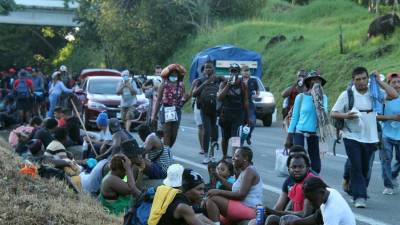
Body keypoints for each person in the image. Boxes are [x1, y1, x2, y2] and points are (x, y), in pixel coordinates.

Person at [331, 66, 398, 208]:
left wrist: (379, 81)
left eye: (364, 78)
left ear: (368, 79)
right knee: (356, 165)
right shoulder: (347, 94)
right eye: (358, 79)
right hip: (351, 135)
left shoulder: (375, 93)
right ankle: (360, 197)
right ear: (353, 80)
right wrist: (346, 115)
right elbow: (333, 113)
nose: (361, 82)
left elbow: (394, 95)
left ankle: (349, 183)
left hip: (370, 137)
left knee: (365, 168)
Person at [248, 146, 317, 225]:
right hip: (295, 218)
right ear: (288, 170)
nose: (297, 170)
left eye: (300, 167)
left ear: (307, 168)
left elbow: (305, 214)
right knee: (255, 222)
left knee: (275, 219)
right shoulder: (294, 183)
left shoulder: (311, 183)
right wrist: (267, 212)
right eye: (294, 167)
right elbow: (285, 208)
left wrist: (274, 212)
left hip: (309, 221)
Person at [285, 71, 328, 174]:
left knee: (315, 163)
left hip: (314, 133)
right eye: (313, 80)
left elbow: (324, 114)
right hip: (300, 132)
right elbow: (295, 117)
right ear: (309, 83)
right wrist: (289, 136)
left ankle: (313, 180)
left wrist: (317, 100)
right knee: (297, 158)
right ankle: (295, 182)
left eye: (318, 81)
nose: (316, 82)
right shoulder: (301, 97)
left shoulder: (323, 98)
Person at [205, 147, 263, 224]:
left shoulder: (250, 171)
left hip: (250, 209)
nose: (233, 158)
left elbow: (240, 195)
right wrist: (218, 176)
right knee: (210, 206)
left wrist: (218, 191)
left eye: (236, 156)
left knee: (212, 199)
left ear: (245, 158)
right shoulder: (245, 171)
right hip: (242, 206)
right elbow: (232, 188)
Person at [193, 60, 225, 163]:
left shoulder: (219, 79)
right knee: (207, 131)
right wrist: (205, 84)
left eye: (210, 67)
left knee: (215, 132)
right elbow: (194, 93)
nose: (208, 69)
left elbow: (228, 83)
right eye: (206, 67)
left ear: (214, 68)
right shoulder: (200, 80)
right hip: (204, 109)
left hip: (215, 110)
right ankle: (206, 155)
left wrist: (224, 79)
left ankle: (212, 154)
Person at [290, 177, 356, 225]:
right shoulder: (330, 192)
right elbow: (317, 218)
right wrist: (294, 223)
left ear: (322, 192)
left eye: (313, 200)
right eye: (309, 200)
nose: (311, 204)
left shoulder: (331, 210)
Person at [152, 64, 189, 148]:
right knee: (167, 133)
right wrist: (154, 115)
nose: (174, 76)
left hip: (177, 110)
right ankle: (166, 152)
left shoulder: (181, 85)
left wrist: (185, 98)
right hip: (166, 109)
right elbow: (158, 100)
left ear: (178, 75)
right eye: (172, 74)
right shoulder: (164, 84)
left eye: (176, 74)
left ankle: (166, 149)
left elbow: (183, 99)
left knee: (174, 134)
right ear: (168, 75)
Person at [217, 64, 249, 159]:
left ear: (238, 72)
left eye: (235, 71)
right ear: (229, 72)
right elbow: (219, 97)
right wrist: (228, 85)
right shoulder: (224, 83)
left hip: (238, 114)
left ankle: (235, 156)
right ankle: (224, 155)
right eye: (232, 71)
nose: (233, 73)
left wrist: (247, 117)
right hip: (225, 114)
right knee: (225, 137)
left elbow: (246, 101)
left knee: (236, 137)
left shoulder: (242, 85)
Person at [376, 72, 400, 195]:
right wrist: (393, 117)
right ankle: (388, 185)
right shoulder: (383, 98)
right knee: (386, 160)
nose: (397, 85)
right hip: (386, 135)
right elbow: (377, 116)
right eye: (393, 82)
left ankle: (394, 174)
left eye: (398, 82)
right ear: (388, 85)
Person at [241, 65, 259, 145]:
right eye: (245, 70)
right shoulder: (239, 80)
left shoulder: (253, 80)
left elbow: (257, 90)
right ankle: (240, 140)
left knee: (252, 122)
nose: (246, 72)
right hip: (240, 104)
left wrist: (256, 95)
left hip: (250, 104)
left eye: (248, 70)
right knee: (240, 124)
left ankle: (248, 136)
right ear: (241, 72)